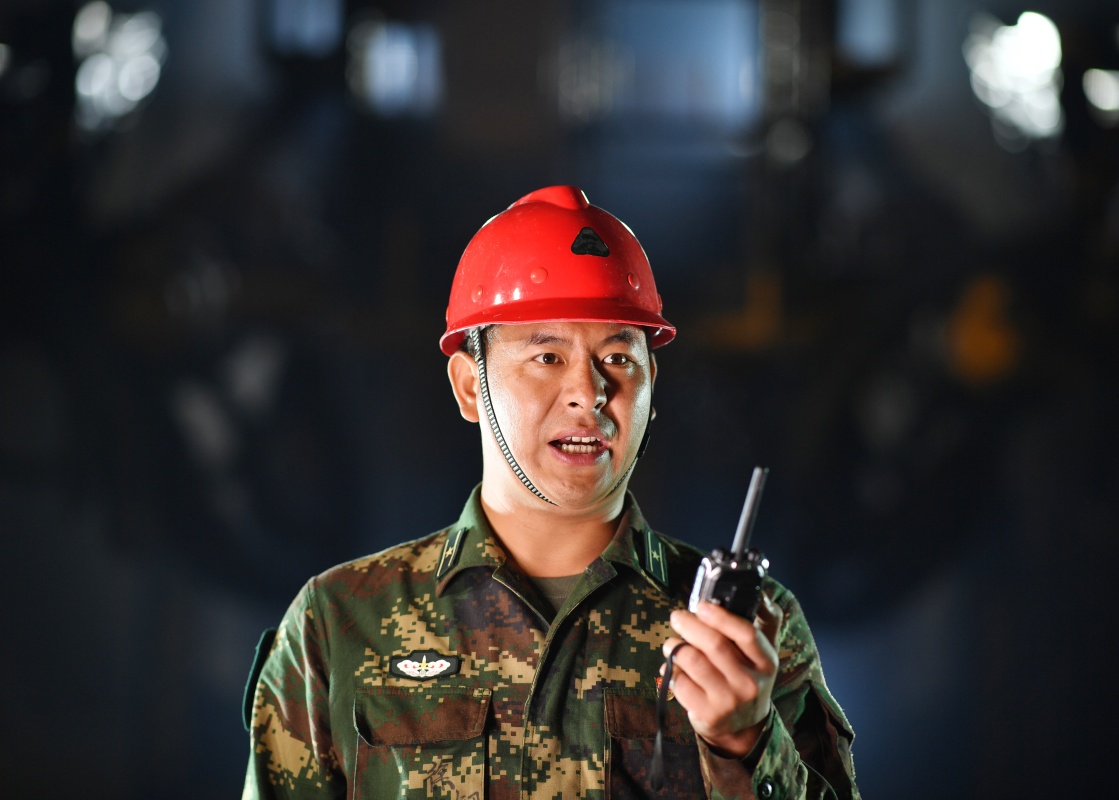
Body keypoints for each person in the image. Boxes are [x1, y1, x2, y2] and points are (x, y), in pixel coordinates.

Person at [242, 186, 859, 799]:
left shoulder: (748, 634)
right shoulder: (339, 624)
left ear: (651, 384)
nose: (589, 393)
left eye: (618, 358)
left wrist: (746, 745)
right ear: (469, 386)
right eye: (547, 357)